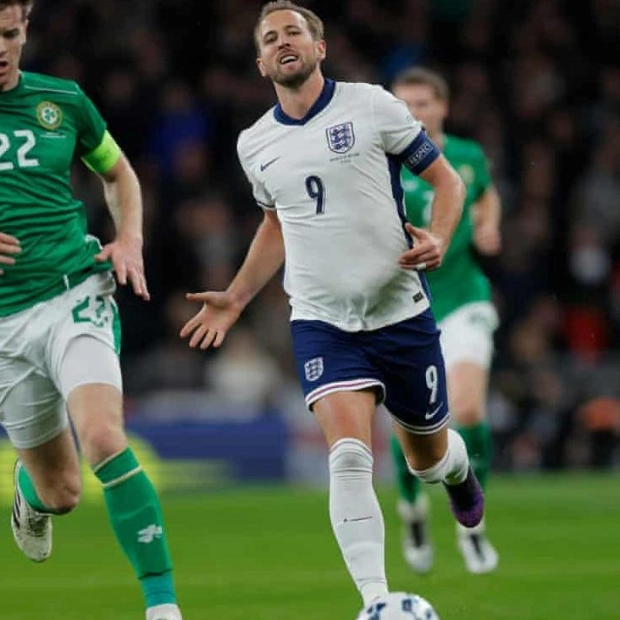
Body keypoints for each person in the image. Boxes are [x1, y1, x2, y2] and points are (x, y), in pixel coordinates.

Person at [181, 0, 483, 608]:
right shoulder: (254, 144)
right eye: (270, 37)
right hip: (322, 321)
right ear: (261, 62)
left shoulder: (371, 105)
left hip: (399, 312)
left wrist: (442, 238)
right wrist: (238, 296)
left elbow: (448, 182)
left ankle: (456, 469)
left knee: (426, 458)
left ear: (320, 48)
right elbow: (276, 223)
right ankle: (375, 599)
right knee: (348, 456)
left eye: (295, 31)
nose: (283, 41)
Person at [0, 2, 182, 619]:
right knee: (63, 490)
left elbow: (119, 172)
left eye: (10, 34)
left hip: (75, 290)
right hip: (4, 326)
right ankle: (32, 493)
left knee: (104, 436)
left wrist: (128, 238)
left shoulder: (63, 101)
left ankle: (162, 607)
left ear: (25, 30)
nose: (1, 48)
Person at [390, 67, 502, 574]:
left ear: (443, 107)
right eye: (404, 104)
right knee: (408, 427)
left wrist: (489, 226)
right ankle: (412, 510)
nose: (413, 113)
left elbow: (485, 193)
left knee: (470, 409)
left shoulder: (467, 156)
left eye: (422, 103)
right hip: (404, 305)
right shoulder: (382, 161)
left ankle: (471, 524)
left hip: (463, 297)